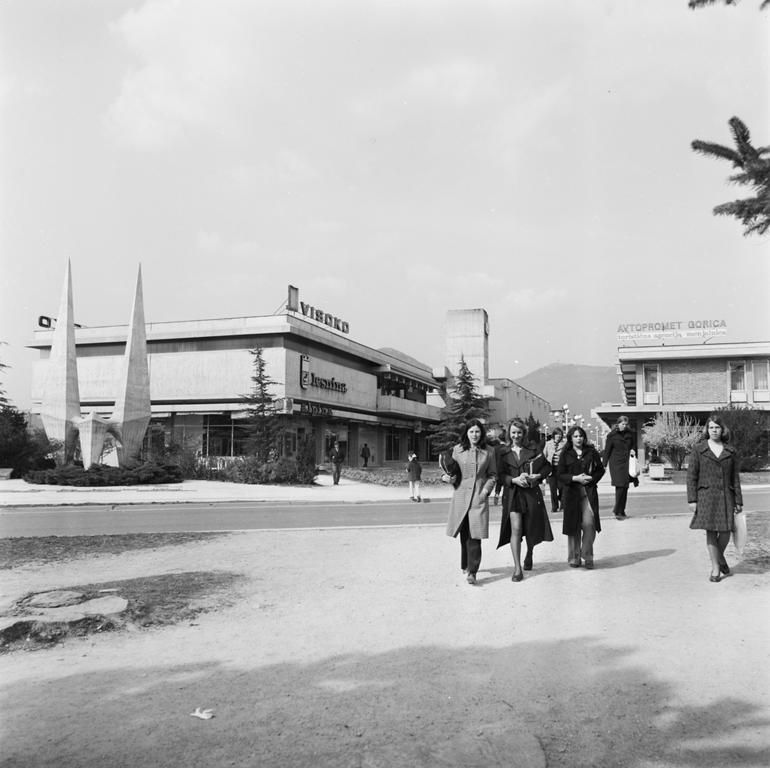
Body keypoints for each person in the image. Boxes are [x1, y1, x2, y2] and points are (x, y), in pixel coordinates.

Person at [687, 414, 743, 583]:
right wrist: (692, 500)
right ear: (707, 430)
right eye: (711, 427)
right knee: (711, 533)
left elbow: (735, 478)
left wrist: (739, 501)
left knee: (726, 531)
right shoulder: (698, 449)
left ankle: (720, 558)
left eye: (717, 427)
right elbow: (691, 476)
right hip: (706, 496)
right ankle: (716, 568)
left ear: (722, 430)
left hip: (726, 496)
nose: (714, 430)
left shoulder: (731, 451)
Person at [496, 418, 553, 581]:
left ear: (524, 433)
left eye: (519, 432)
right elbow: (499, 475)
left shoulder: (533, 448)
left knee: (531, 527)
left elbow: (547, 466)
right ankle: (517, 568)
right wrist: (512, 480)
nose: (516, 435)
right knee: (516, 528)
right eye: (513, 432)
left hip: (531, 493)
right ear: (509, 433)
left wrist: (539, 476)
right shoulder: (502, 452)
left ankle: (529, 552)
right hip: (513, 494)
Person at [445, 418, 497, 585]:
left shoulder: (489, 451)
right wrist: (447, 478)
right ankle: (465, 564)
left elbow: (493, 475)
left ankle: (472, 571)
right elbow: (453, 472)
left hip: (478, 497)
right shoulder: (457, 450)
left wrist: (485, 491)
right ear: (466, 433)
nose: (474, 434)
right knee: (464, 533)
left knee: (475, 535)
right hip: (461, 496)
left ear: (481, 433)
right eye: (471, 431)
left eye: (477, 431)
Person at [558, 426, 605, 569]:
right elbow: (560, 474)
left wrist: (592, 479)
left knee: (589, 523)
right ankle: (574, 557)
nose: (579, 438)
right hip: (571, 494)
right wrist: (575, 478)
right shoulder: (565, 454)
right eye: (575, 436)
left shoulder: (591, 452)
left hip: (588, 493)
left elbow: (600, 470)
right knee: (573, 526)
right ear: (570, 438)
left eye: (581, 436)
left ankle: (587, 555)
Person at [602, 415, 638, 520]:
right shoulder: (612, 436)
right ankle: (617, 510)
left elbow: (633, 446)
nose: (624, 426)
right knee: (620, 487)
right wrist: (604, 465)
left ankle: (621, 510)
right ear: (618, 424)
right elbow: (607, 451)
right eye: (622, 424)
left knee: (625, 487)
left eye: (626, 424)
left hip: (627, 463)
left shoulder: (630, 434)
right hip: (616, 464)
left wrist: (633, 450)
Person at [543, 427, 565, 514]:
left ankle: (562, 505)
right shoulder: (548, 444)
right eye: (556, 434)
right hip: (551, 469)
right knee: (553, 489)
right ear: (553, 435)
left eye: (560, 435)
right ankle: (554, 507)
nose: (558, 436)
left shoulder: (565, 444)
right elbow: (544, 456)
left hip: (561, 469)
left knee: (562, 488)